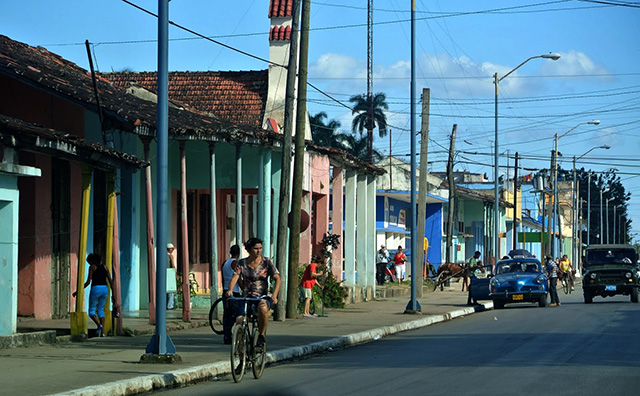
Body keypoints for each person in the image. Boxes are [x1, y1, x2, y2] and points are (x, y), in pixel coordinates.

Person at [226, 237, 281, 349]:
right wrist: (230, 290)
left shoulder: (266, 262)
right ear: (249, 250)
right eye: (256, 248)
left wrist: (274, 295)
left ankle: (261, 335)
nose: (259, 251)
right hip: (246, 297)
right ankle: (240, 351)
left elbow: (277, 279)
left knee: (263, 307)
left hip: (262, 296)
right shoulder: (242, 263)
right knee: (239, 320)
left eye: (260, 248)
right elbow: (235, 277)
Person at [73, 253, 114, 337]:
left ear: (92, 261)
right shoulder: (105, 267)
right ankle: (102, 333)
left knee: (91, 311)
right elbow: (110, 281)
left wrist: (78, 291)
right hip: (105, 289)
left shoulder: (92, 267)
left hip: (96, 289)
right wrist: (113, 294)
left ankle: (99, 325)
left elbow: (88, 282)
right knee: (100, 310)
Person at [221, 244, 242, 344]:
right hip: (234, 292)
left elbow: (223, 278)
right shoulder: (235, 263)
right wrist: (244, 289)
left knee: (227, 314)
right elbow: (238, 278)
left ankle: (227, 335)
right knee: (237, 313)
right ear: (238, 253)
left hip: (225, 291)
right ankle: (236, 334)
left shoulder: (225, 263)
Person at [166, 243, 178, 310]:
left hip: (165, 274)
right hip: (170, 274)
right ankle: (170, 305)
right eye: (172, 249)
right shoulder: (170, 256)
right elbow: (173, 265)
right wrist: (175, 274)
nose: (173, 250)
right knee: (171, 290)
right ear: (169, 249)